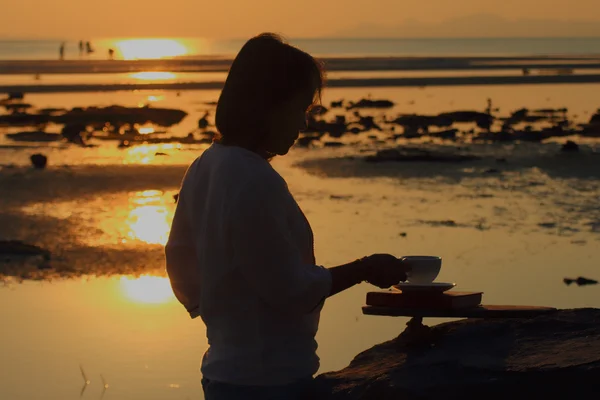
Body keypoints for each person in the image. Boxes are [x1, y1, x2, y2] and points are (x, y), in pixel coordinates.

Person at [165, 33, 412, 400]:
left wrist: (222, 316)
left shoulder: (205, 164)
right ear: (267, 106)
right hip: (267, 381)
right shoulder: (252, 178)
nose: (304, 124)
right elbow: (289, 287)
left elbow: (179, 258)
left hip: (222, 372)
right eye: (301, 109)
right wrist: (363, 268)